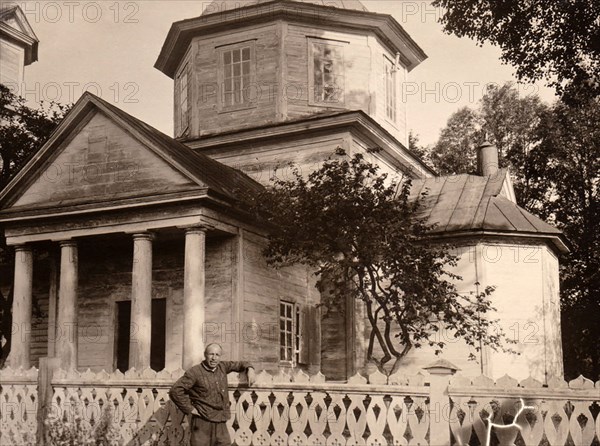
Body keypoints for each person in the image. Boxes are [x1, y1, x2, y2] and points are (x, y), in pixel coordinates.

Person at [169, 343, 256, 446]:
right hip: (202, 421)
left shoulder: (222, 367)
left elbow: (240, 364)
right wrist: (190, 409)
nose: (214, 358)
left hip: (221, 421)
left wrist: (250, 368)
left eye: (217, 355)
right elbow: (175, 390)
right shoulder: (195, 372)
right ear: (205, 355)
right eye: (211, 354)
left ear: (220, 356)